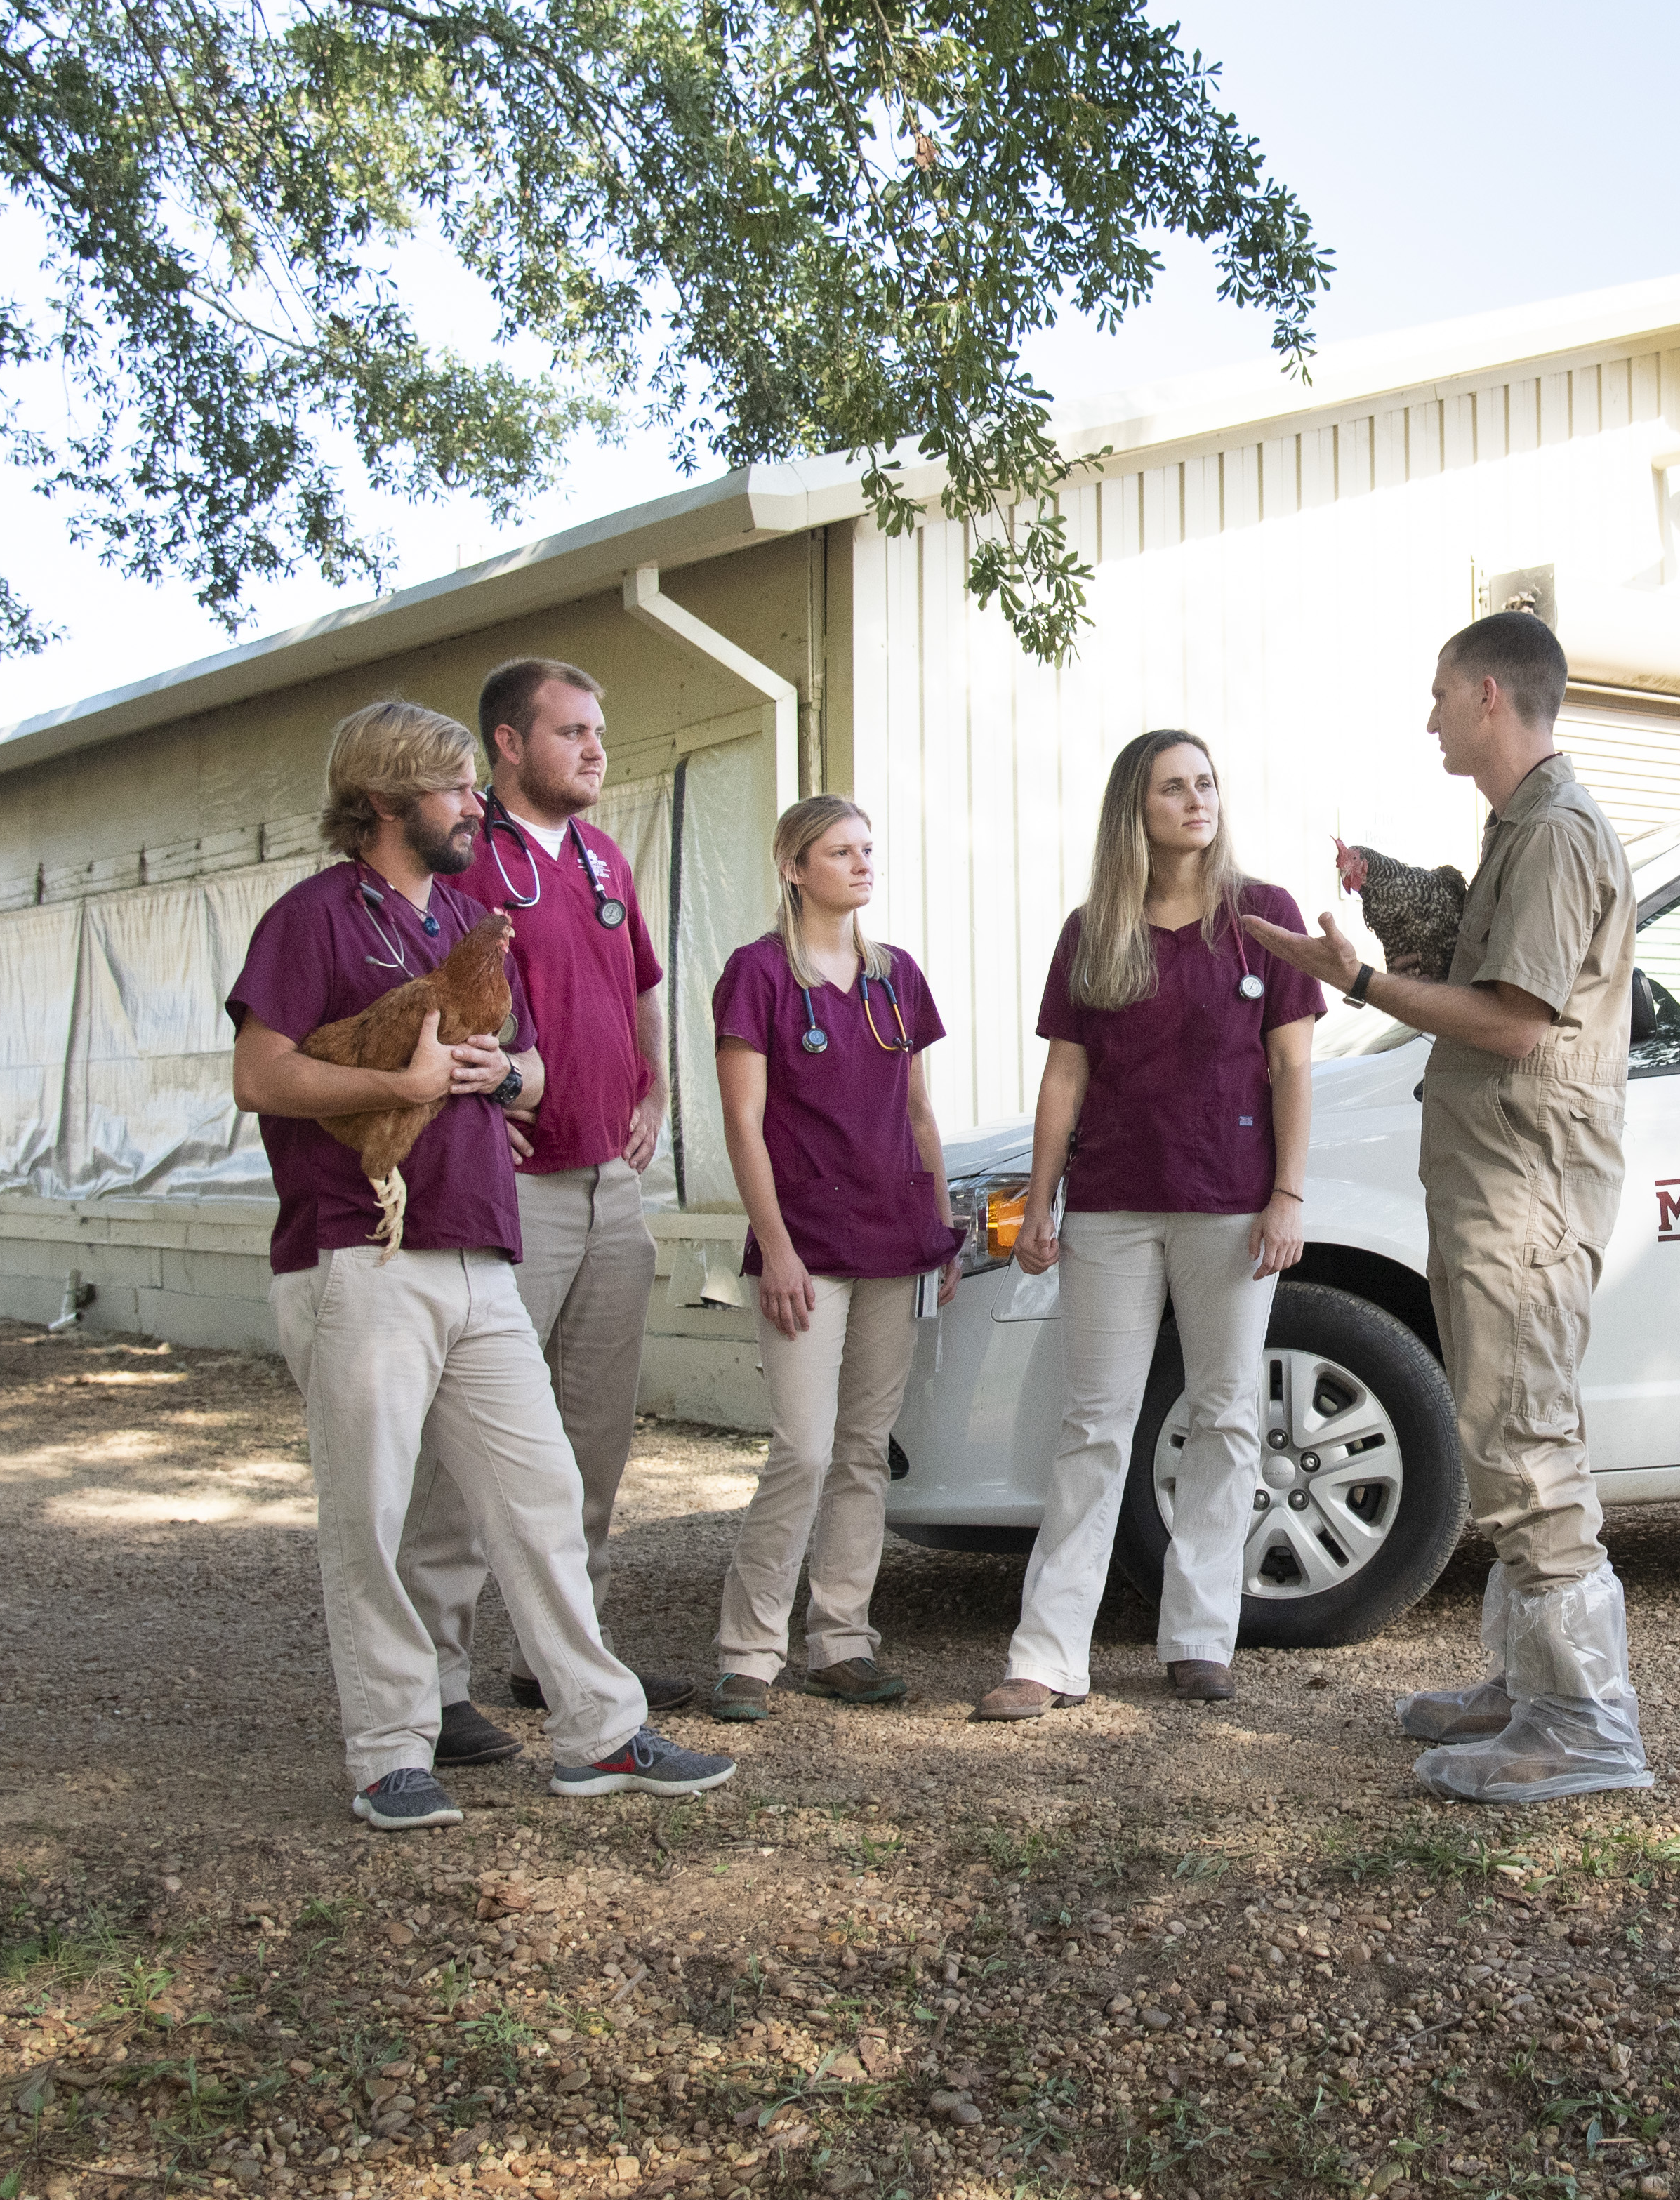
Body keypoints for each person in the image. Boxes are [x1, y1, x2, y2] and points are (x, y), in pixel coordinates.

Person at [226, 699, 732, 1829]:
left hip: (479, 1251)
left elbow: (538, 1079)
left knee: (541, 1496)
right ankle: (390, 1751)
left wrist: (497, 1078)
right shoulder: (312, 920)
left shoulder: (467, 916)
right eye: (455, 788)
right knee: (372, 1512)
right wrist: (396, 1089)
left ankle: (599, 1733)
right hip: (360, 1248)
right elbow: (261, 1076)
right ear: (389, 798)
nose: (472, 806)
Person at [1242, 612, 1655, 1801]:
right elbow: (1487, 950)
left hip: (1525, 1183)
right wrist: (1394, 893)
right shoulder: (1522, 831)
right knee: (1508, 1427)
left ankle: (1583, 1724)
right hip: (1502, 1175)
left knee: (1525, 1441)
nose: (1427, 717)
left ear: (1487, 695)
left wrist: (1359, 982)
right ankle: (1531, 1685)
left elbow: (1518, 1021)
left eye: (1437, 696)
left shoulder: (1561, 835)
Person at [977, 730, 1325, 1723]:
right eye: (1174, 788)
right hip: (1114, 1205)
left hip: (1232, 1205)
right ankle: (1046, 1657)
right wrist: (1039, 1198)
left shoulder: (1265, 918)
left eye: (1207, 782)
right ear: (1137, 808)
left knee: (1223, 1416)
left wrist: (1289, 1194)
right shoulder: (1096, 928)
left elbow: (1294, 1065)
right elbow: (1065, 1076)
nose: (1196, 801)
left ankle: (1201, 1639)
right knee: (1095, 1422)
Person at [395, 657, 684, 1745]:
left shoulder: (605, 857)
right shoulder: (472, 859)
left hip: (612, 1185)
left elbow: (642, 983)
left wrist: (653, 1086)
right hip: (517, 1195)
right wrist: (482, 1102)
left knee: (593, 1447)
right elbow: (429, 994)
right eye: (571, 731)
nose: (595, 749)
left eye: (599, 729)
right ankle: (436, 1682)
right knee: (476, 1449)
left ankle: (564, 1664)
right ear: (508, 747)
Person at [707, 795, 958, 1720]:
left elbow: (922, 1115)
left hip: (895, 1240)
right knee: (804, 1449)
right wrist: (773, 1249)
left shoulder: (895, 978)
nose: (861, 864)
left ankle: (842, 1640)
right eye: (840, 851)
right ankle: (749, 1649)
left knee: (861, 1449)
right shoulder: (757, 975)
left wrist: (939, 1228)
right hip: (803, 1246)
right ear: (793, 866)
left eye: (867, 849)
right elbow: (743, 1121)